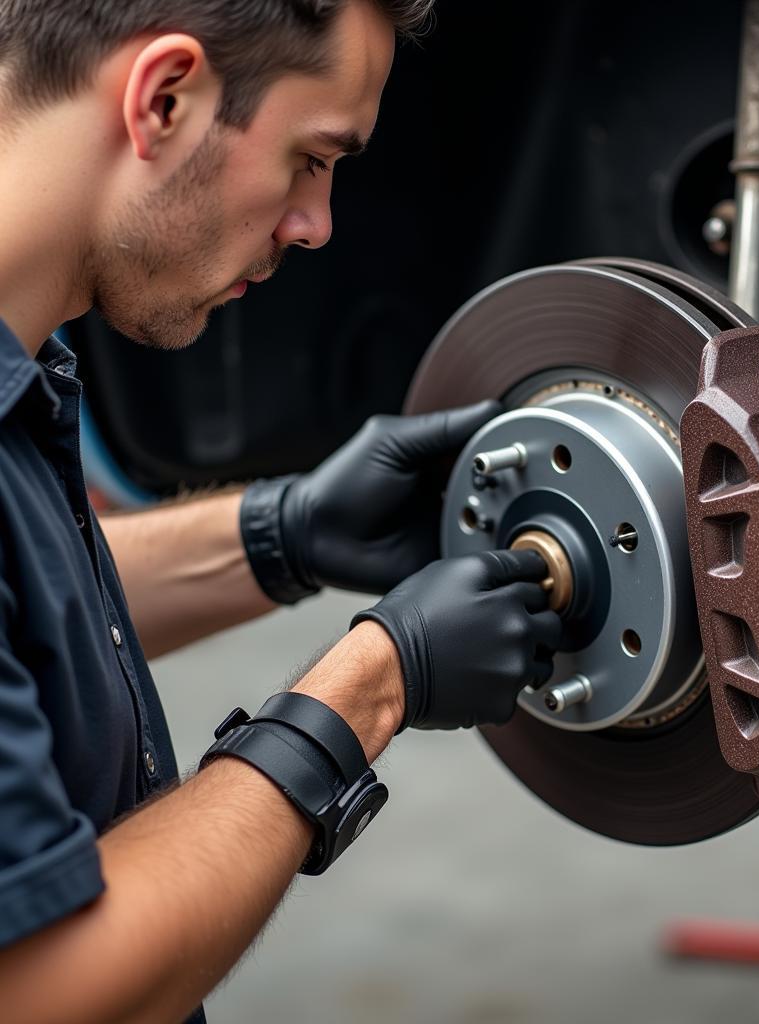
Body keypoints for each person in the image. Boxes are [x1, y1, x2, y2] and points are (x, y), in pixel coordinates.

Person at [0, 2, 562, 1020]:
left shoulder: (25, 355)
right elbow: (46, 987)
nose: (317, 224)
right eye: (311, 158)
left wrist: (285, 531)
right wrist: (372, 682)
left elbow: (27, 610)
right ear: (163, 99)